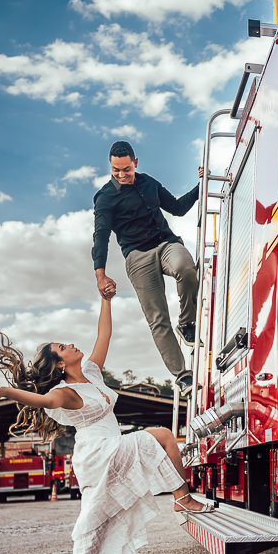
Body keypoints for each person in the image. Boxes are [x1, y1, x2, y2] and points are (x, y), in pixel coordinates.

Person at [0, 289, 212, 554]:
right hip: (97, 453)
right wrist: (6, 391)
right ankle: (181, 497)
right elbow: (42, 402)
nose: (70, 344)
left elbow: (104, 334)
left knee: (94, 522)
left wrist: (106, 298)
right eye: (63, 347)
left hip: (109, 448)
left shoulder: (90, 372)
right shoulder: (64, 393)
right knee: (161, 436)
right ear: (60, 363)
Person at [92, 140, 201, 394]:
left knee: (186, 267)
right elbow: (100, 237)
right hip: (138, 257)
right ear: (111, 167)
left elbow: (177, 208)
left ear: (135, 163)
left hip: (165, 244)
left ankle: (187, 323)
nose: (121, 175)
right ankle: (182, 375)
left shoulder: (148, 182)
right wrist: (100, 274)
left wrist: (201, 185)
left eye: (126, 169)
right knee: (158, 318)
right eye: (116, 170)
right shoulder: (105, 198)